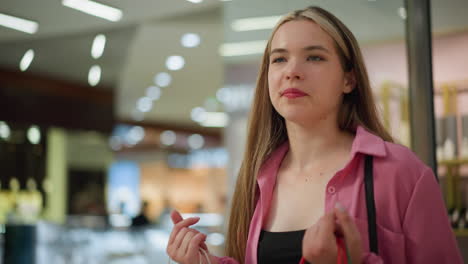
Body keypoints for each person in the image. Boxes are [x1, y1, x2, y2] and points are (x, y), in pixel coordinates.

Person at [166, 6, 463, 264]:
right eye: (279, 59)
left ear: (349, 79)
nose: (292, 71)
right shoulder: (257, 177)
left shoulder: (402, 172)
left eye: (315, 58)